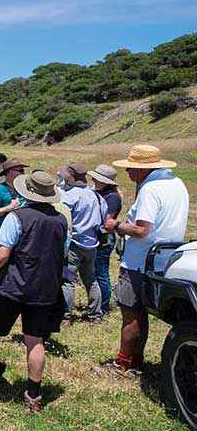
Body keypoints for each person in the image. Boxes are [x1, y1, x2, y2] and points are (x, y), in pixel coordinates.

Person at [0, 171, 68, 413]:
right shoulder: (61, 221)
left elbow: (2, 254)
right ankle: (33, 395)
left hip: (11, 287)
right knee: (35, 340)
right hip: (44, 289)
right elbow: (62, 254)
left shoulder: (17, 217)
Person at [102, 145, 189, 376]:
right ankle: (136, 361)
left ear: (143, 169)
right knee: (142, 312)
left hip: (139, 261)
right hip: (165, 259)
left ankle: (123, 363)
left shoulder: (150, 189)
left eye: (131, 167)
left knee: (130, 313)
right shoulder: (177, 184)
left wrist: (117, 226)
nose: (128, 172)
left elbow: (142, 230)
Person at [58, 162, 106, 322]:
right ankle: (95, 314)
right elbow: (103, 217)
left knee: (67, 280)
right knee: (91, 280)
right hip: (91, 244)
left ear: (70, 177)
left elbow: (62, 220)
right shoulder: (96, 196)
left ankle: (65, 315)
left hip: (74, 245)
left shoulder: (69, 196)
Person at [88, 164, 122, 316]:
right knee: (97, 270)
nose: (94, 180)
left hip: (105, 238)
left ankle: (104, 306)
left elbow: (107, 221)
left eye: (97, 179)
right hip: (100, 236)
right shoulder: (102, 193)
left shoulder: (112, 198)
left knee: (101, 272)